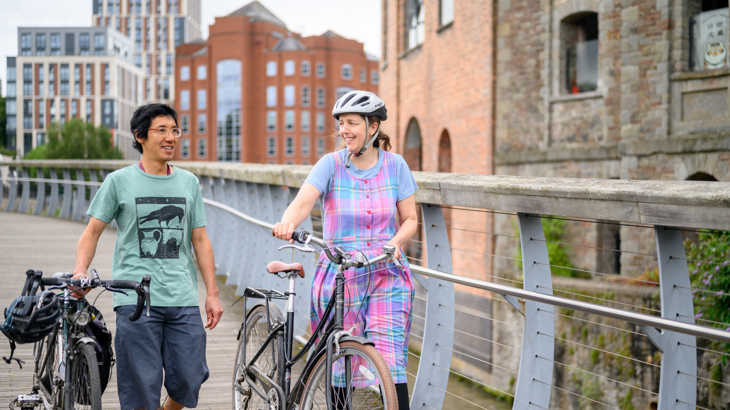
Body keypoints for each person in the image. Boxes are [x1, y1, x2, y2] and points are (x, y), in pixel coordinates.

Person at [272, 90, 418, 410]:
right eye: (341, 123)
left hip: (385, 269)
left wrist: (394, 243)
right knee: (340, 362)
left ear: (373, 127)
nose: (344, 130)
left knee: (391, 359)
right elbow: (302, 203)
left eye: (352, 123)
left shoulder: (396, 166)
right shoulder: (331, 165)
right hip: (341, 272)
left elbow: (410, 220)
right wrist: (287, 222)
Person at [73, 103, 224, 410]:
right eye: (161, 130)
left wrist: (212, 293)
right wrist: (80, 270)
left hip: (181, 295)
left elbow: (200, 239)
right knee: (141, 384)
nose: (170, 137)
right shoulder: (119, 181)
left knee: (190, 376)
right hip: (135, 299)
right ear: (140, 136)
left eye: (175, 130)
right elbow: (92, 232)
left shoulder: (188, 182)